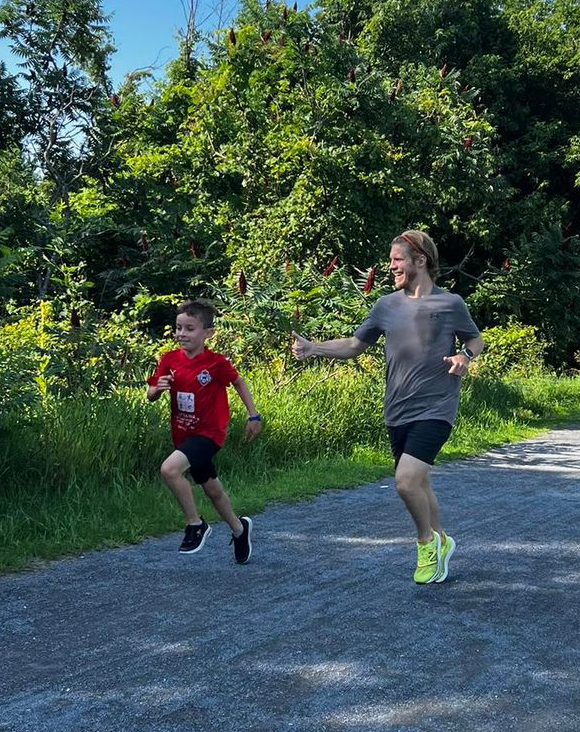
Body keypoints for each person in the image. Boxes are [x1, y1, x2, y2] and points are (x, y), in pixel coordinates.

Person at [291, 229, 484, 585]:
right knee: (420, 481)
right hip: (397, 409)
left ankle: (426, 545)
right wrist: (314, 348)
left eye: (397, 260)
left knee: (406, 480)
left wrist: (464, 356)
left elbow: (476, 340)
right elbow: (354, 345)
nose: (390, 266)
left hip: (437, 406)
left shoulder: (450, 303)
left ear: (420, 261)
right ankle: (442, 539)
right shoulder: (385, 305)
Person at [147, 299, 261, 559]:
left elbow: (239, 383)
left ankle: (195, 524)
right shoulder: (169, 359)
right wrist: (158, 387)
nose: (181, 334)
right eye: (178, 328)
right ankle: (239, 529)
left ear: (207, 333)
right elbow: (151, 393)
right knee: (211, 488)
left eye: (189, 329)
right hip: (183, 433)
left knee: (169, 469)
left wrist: (254, 416)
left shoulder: (216, 363)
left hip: (210, 433)